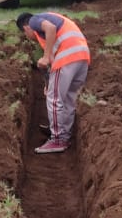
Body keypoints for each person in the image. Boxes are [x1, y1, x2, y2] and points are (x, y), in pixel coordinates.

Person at [16, 11, 90, 153]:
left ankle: (57, 140)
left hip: (67, 58)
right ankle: (64, 135)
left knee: (54, 99)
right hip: (82, 57)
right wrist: (48, 83)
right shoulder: (50, 29)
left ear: (26, 28)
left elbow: (50, 28)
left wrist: (44, 57)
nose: (29, 38)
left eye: (25, 34)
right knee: (68, 99)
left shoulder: (33, 20)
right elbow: (51, 62)